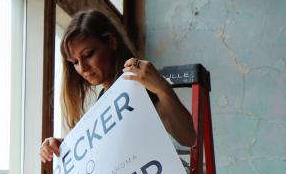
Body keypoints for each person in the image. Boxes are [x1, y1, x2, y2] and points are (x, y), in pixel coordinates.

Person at [39, 9, 197, 163]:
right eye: (74, 62)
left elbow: (188, 138)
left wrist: (162, 88)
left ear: (112, 42)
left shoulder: (138, 87)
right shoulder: (103, 100)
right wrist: (64, 146)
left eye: (88, 55)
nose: (82, 68)